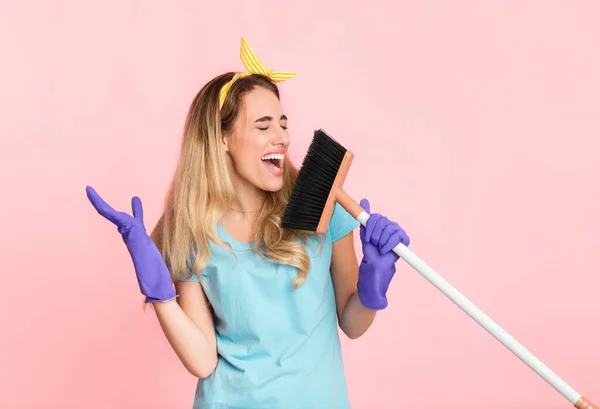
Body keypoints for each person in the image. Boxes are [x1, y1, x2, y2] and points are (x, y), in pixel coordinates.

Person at [86, 38, 410, 409]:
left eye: (283, 124)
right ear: (223, 139)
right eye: (263, 126)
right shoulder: (195, 230)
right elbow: (203, 360)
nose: (283, 138)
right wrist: (161, 294)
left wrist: (373, 283)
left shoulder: (322, 204)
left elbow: (353, 324)